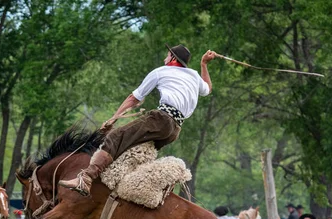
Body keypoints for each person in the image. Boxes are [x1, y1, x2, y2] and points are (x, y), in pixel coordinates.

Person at [59, 45, 216, 196]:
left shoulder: (161, 72)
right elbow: (208, 89)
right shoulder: (194, 76)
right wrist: (204, 64)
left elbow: (134, 98)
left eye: (167, 55)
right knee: (133, 151)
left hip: (160, 120)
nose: (164, 58)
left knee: (115, 137)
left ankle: (85, 178)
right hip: (174, 130)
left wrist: (113, 119)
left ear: (173, 58)